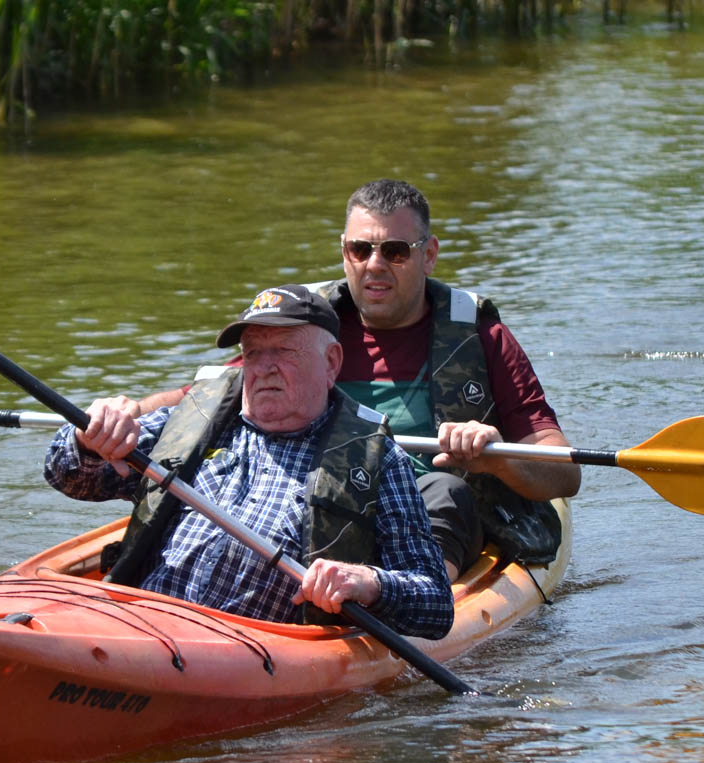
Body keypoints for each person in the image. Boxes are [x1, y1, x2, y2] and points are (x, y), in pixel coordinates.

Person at [142, 180, 577, 577]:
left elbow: (564, 474)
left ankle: (421, 602)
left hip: (428, 517)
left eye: (395, 251)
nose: (374, 265)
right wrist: (121, 414)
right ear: (344, 251)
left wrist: (495, 457)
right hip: (316, 507)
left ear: (428, 255)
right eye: (360, 249)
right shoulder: (304, 328)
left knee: (445, 490)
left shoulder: (482, 335)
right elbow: (201, 401)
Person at [45, 284, 454, 638]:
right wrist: (89, 438)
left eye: (284, 351)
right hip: (137, 625)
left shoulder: (378, 460)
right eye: (254, 352)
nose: (264, 367)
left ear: (331, 363)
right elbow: (67, 476)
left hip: (251, 651)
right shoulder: (194, 420)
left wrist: (368, 583)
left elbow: (435, 604)